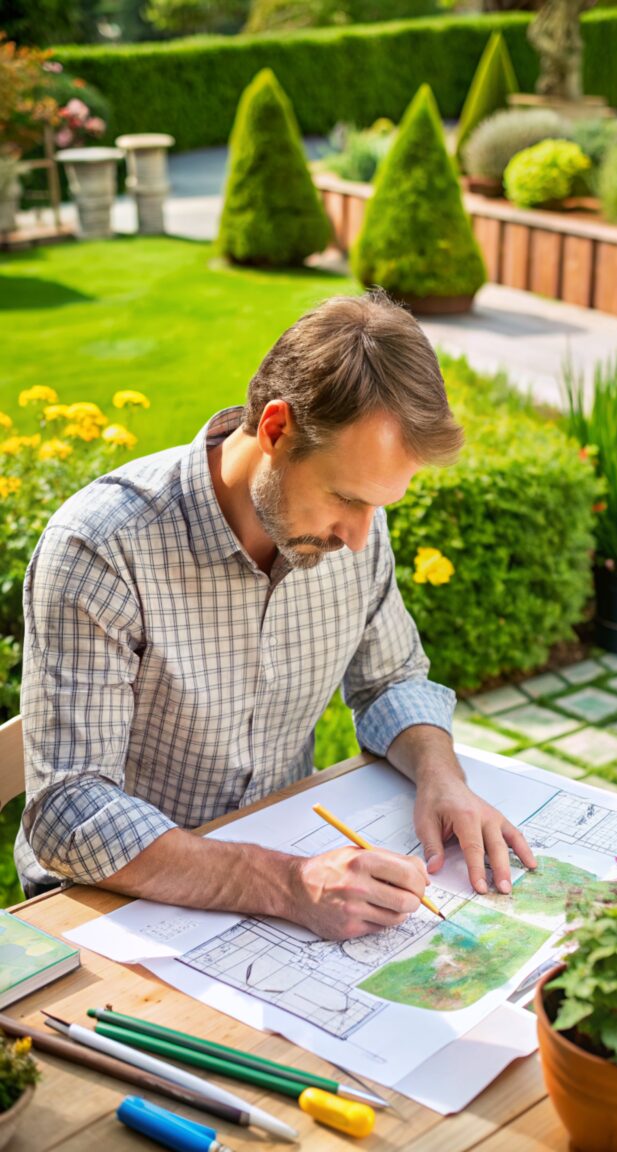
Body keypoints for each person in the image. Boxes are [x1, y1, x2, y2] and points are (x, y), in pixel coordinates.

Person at [16, 291, 535, 939]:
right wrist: (285, 884)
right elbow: (70, 813)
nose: (359, 539)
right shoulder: (103, 546)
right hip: (114, 908)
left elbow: (392, 681)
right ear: (275, 429)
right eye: (346, 499)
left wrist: (442, 778)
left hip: (284, 872)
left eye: (378, 506)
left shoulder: (352, 530)